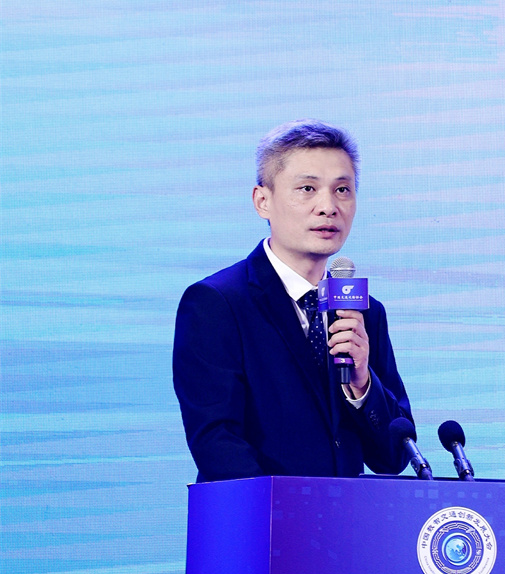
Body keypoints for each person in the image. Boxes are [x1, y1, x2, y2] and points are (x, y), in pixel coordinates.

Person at [172, 120, 413, 484]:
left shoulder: (364, 312)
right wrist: (287, 511)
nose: (328, 207)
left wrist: (362, 384)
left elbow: (393, 456)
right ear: (262, 201)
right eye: (307, 189)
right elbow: (216, 441)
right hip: (258, 516)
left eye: (342, 190)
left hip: (346, 517)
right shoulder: (217, 303)